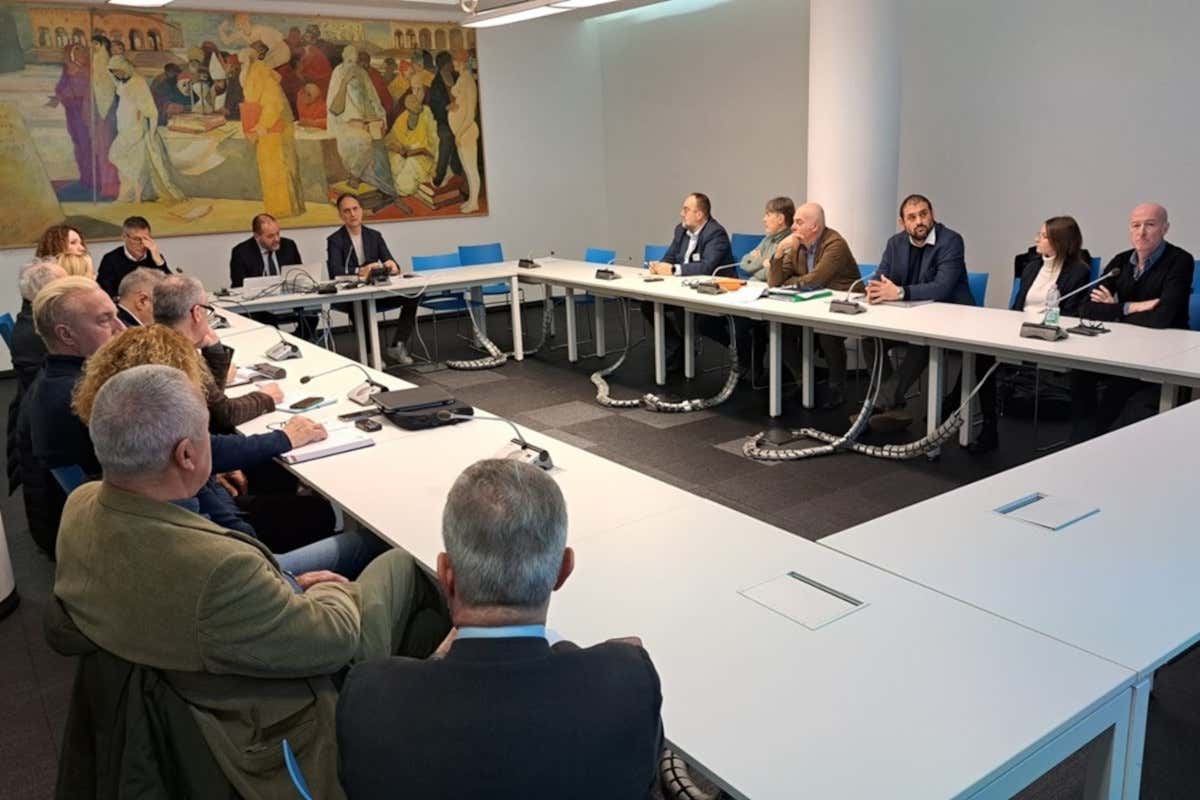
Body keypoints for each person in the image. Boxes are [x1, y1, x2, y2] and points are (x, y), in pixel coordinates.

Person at [51, 364, 448, 797]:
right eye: (206, 433)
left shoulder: (80, 505)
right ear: (186, 455)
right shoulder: (218, 569)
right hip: (265, 718)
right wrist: (330, 588)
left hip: (185, 679)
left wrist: (284, 587)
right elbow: (335, 640)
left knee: (420, 618)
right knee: (405, 561)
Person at [337, 459, 662, 799]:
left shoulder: (368, 695)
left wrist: (437, 657)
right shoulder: (628, 681)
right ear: (563, 571)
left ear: (446, 574)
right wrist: (606, 662)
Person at [963, 216, 1092, 453]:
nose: (1036, 240)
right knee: (980, 356)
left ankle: (950, 408)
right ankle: (989, 428)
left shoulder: (1078, 272)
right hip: (1019, 333)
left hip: (1051, 339)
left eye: (1043, 236)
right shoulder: (1032, 267)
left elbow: (1071, 314)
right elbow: (1018, 307)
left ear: (1060, 241)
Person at [17, 277, 125, 553]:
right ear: (66, 335)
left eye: (116, 315)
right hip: (98, 532)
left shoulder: (59, 376)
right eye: (105, 320)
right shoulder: (75, 396)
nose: (121, 328)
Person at [1071, 203, 1195, 440]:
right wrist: (1132, 307)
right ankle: (1081, 440)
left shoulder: (1180, 261)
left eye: (1150, 225)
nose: (1142, 232)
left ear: (1165, 228)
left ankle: (1097, 440)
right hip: (1122, 344)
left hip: (1164, 347)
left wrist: (1113, 309)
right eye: (1136, 225)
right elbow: (1086, 308)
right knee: (1080, 373)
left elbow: (1162, 318)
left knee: (1119, 386)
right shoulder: (1120, 261)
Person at [862, 194, 971, 431]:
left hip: (949, 317)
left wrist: (900, 292)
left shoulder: (951, 241)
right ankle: (894, 404)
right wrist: (875, 290)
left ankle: (880, 403)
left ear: (933, 215)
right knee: (870, 339)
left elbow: (942, 287)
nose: (919, 221)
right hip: (909, 317)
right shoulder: (895, 243)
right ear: (902, 223)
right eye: (912, 217)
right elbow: (881, 276)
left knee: (921, 343)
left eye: (923, 214)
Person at [153, 275, 282, 427]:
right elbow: (223, 415)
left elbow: (212, 401)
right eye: (207, 310)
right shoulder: (176, 355)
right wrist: (264, 397)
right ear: (197, 313)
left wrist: (213, 349)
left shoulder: (157, 343)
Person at [768, 202, 861, 408]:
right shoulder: (796, 244)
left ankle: (837, 388)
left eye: (799, 222)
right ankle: (804, 381)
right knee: (779, 330)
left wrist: (791, 281)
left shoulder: (835, 243)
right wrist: (779, 252)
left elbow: (814, 280)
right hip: (812, 302)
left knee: (827, 334)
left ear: (815, 227)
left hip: (842, 304)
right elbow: (774, 282)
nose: (793, 227)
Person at [641, 193, 733, 371]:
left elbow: (707, 267)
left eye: (686, 210)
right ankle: (677, 346)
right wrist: (659, 266)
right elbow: (669, 257)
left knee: (681, 307)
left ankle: (686, 352)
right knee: (648, 304)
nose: (681, 214)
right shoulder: (680, 230)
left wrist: (674, 270)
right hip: (685, 289)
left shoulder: (715, 233)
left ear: (699, 214)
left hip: (715, 292)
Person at [326, 194, 419, 365]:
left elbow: (391, 262)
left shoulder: (374, 236)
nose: (352, 214)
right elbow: (335, 270)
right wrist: (360, 271)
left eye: (355, 209)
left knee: (413, 295)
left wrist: (392, 266)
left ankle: (398, 345)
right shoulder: (335, 240)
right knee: (359, 304)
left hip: (377, 291)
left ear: (361, 210)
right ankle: (370, 351)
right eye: (347, 211)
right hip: (352, 296)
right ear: (340, 215)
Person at [6, 259, 67, 497]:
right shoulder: (37, 334)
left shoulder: (33, 321)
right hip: (44, 446)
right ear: (48, 293)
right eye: (66, 284)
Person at [107, 56, 186, 205]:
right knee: (129, 162)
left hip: (135, 128)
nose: (117, 74)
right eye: (114, 72)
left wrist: (150, 130)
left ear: (125, 67)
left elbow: (150, 109)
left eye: (118, 71)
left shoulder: (139, 82)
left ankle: (137, 192)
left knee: (121, 157)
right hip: (124, 127)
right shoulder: (123, 83)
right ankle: (129, 194)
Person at [240, 43, 306, 219]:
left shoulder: (261, 73)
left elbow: (272, 103)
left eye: (243, 62)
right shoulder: (254, 73)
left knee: (278, 168)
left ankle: (283, 210)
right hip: (268, 128)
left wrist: (262, 125)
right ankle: (284, 208)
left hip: (273, 129)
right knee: (273, 168)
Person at [327, 45, 394, 197]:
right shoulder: (338, 73)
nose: (353, 66)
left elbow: (373, 99)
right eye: (349, 61)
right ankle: (356, 177)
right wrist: (344, 83)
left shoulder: (362, 73)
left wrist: (380, 118)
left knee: (379, 143)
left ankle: (386, 189)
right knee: (365, 141)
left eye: (355, 62)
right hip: (344, 125)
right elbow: (335, 110)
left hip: (366, 121)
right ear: (343, 59)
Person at [97, 216, 172, 298]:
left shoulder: (154, 256)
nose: (143, 244)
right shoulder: (110, 259)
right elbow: (105, 292)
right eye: (137, 239)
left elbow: (171, 288)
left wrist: (159, 261)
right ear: (124, 237)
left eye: (146, 239)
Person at [385, 90, 439, 198]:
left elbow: (434, 147)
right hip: (406, 155)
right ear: (407, 109)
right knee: (395, 161)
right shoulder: (403, 117)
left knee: (405, 181)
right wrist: (397, 147)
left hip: (424, 159)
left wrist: (417, 151)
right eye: (411, 109)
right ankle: (411, 188)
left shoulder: (427, 114)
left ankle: (412, 189)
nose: (414, 110)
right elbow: (390, 139)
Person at [448, 50, 481, 213]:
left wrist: (460, 133)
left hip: (466, 132)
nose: (453, 63)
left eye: (456, 60)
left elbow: (470, 115)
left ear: (462, 63)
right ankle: (471, 200)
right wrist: (452, 107)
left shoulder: (468, 81)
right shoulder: (462, 78)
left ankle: (474, 202)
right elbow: (460, 103)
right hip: (461, 132)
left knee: (471, 169)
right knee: (467, 169)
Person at [427, 51, 463, 188]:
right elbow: (434, 106)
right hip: (443, 121)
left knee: (461, 138)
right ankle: (439, 176)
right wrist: (446, 106)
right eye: (449, 62)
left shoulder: (456, 77)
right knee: (447, 138)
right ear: (443, 64)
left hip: (459, 118)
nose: (452, 64)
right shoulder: (436, 83)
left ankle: (457, 174)